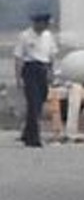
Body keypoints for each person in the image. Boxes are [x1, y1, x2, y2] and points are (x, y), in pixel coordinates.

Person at [13, 11, 57, 147]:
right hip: (30, 68)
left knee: (40, 101)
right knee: (33, 102)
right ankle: (34, 138)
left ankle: (27, 133)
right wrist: (18, 77)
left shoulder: (48, 36)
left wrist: (51, 72)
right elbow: (18, 57)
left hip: (43, 69)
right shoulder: (25, 36)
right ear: (38, 23)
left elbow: (52, 55)